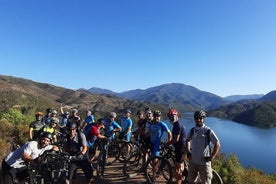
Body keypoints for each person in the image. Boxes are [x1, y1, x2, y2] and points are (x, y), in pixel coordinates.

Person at [185, 110, 221, 184]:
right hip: (193, 162)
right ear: (194, 119)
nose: (198, 120)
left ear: (204, 119)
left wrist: (211, 157)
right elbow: (187, 140)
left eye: (201, 118)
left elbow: (217, 144)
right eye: (197, 118)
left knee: (206, 182)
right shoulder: (192, 130)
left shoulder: (208, 131)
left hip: (204, 164)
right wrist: (188, 153)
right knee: (190, 181)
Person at [165, 108, 187, 184]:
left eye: (173, 116)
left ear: (177, 115)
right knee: (180, 166)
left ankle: (179, 182)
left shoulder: (177, 125)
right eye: (170, 117)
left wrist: (167, 144)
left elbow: (176, 139)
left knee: (177, 169)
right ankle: (183, 179)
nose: (171, 118)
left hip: (180, 149)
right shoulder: (176, 124)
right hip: (181, 148)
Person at [150, 110, 172, 182]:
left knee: (155, 161)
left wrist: (169, 142)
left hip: (157, 144)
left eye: (158, 116)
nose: (157, 117)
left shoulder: (162, 124)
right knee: (153, 160)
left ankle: (153, 176)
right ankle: (157, 171)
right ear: (153, 116)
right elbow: (149, 133)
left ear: (160, 117)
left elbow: (169, 133)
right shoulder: (152, 124)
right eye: (156, 116)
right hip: (151, 143)